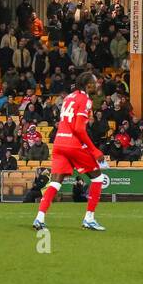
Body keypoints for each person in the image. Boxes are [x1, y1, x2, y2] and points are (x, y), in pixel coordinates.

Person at [33, 72, 109, 232]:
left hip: (59, 142)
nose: (97, 85)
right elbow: (79, 129)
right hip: (72, 144)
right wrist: (94, 150)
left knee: (55, 182)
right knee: (98, 177)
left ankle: (39, 218)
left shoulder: (69, 97)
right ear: (88, 85)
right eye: (95, 83)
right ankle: (89, 218)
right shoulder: (85, 100)